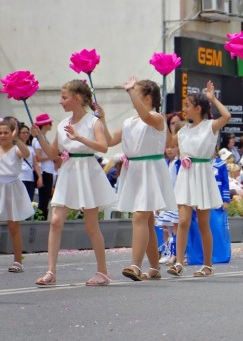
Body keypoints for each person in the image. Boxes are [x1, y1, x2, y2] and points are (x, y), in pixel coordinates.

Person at [32, 79, 117, 286]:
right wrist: (40, 138)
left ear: (76, 99)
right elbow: (54, 153)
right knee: (55, 221)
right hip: (68, 172)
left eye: (64, 97)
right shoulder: (62, 124)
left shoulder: (93, 122)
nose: (60, 101)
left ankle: (103, 272)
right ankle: (51, 271)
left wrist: (79, 138)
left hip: (87, 171)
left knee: (91, 226)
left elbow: (103, 147)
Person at [99, 77, 177, 281]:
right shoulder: (128, 122)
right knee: (148, 220)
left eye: (137, 92)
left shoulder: (157, 117)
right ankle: (154, 267)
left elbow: (145, 117)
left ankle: (135, 265)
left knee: (140, 217)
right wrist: (102, 119)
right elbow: (108, 141)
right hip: (134, 170)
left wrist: (130, 91)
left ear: (147, 97)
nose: (132, 96)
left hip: (150, 169)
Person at [167, 80, 231, 277]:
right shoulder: (183, 130)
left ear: (198, 108)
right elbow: (170, 144)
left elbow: (227, 115)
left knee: (204, 223)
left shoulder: (210, 126)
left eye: (187, 105)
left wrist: (213, 99)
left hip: (202, 173)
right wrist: (166, 126)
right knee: (184, 220)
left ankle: (207, 264)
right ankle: (179, 262)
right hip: (186, 175)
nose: (184, 109)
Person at [0, 119, 35, 273]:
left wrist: (16, 139)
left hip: (12, 187)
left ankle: (18, 261)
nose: (2, 135)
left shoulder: (16, 149)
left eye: (6, 132)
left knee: (13, 226)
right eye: (0, 133)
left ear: (12, 133)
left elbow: (26, 153)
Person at [32, 113, 56, 220]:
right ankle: (39, 221)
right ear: (45, 124)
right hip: (44, 172)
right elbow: (38, 158)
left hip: (48, 171)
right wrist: (52, 156)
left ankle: (42, 220)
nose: (51, 125)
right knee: (43, 200)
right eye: (49, 123)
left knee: (46, 200)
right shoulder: (38, 140)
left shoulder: (43, 138)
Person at [18, 123, 43, 202]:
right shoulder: (14, 147)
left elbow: (35, 164)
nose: (26, 134)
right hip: (19, 178)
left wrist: (40, 177)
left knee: (29, 201)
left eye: (27, 132)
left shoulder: (31, 148)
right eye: (23, 132)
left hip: (30, 178)